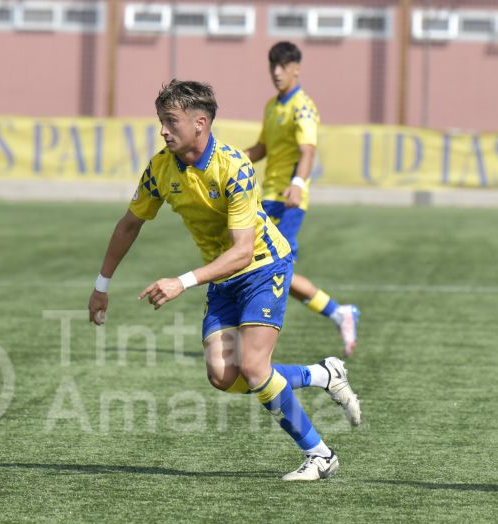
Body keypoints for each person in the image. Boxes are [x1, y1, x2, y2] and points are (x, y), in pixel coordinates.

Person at [88, 80, 360, 481]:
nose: (163, 130)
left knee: (253, 367)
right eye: (161, 121)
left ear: (200, 123)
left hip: (263, 267)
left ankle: (320, 455)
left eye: (170, 121)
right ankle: (323, 374)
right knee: (222, 376)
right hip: (222, 275)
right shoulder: (160, 167)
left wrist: (182, 280)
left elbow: (242, 251)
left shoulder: (233, 166)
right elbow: (130, 224)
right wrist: (101, 285)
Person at [245, 41, 360, 357]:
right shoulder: (272, 106)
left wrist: (297, 183)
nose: (277, 72)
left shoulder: (303, 107)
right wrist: (226, 160)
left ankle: (257, 338)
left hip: (288, 200)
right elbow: (261, 149)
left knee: (267, 264)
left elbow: (308, 150)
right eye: (273, 66)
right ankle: (339, 312)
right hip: (267, 197)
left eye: (283, 66)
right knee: (269, 265)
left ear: (297, 67)